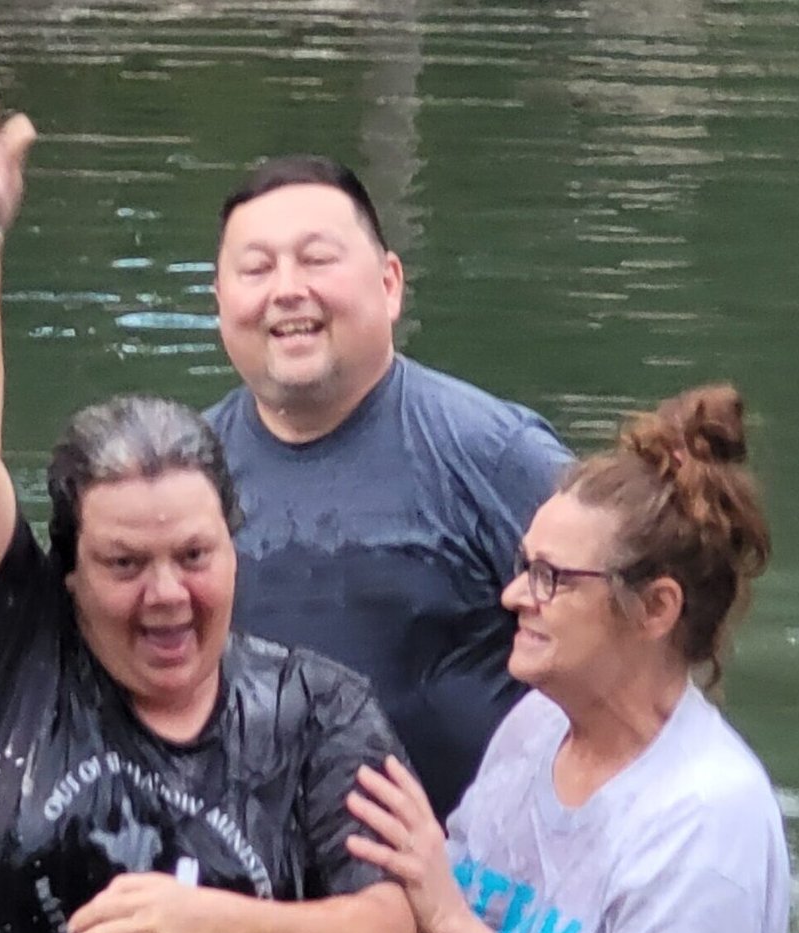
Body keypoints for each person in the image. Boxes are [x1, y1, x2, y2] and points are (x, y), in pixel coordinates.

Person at [0, 48, 417, 933]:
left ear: (234, 549)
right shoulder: (0, 661)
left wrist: (218, 926)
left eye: (194, 557)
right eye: (124, 564)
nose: (166, 594)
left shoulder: (315, 710)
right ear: (65, 573)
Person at [345, 385, 799, 933]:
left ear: (656, 608)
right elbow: (438, 910)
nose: (514, 595)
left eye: (551, 578)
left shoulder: (706, 810)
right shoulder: (535, 726)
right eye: (523, 566)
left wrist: (448, 920)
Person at [206, 156, 572, 814]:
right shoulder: (183, 476)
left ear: (390, 283)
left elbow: (635, 658)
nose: (286, 290)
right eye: (256, 269)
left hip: (468, 863)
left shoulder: (496, 458)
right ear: (220, 304)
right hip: (236, 858)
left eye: (317, 260)